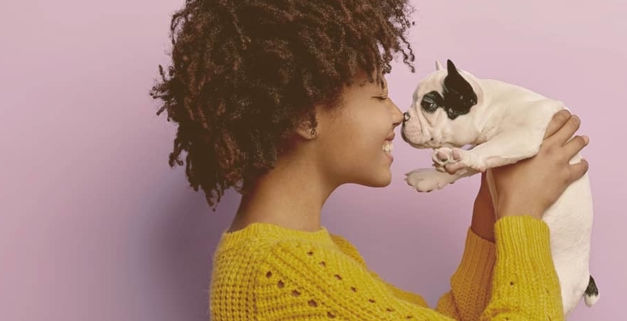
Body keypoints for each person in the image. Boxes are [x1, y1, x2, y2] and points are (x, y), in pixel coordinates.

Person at [150, 0, 590, 320]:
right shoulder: (283, 274)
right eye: (379, 93)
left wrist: (488, 220)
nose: (398, 114)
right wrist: (522, 220)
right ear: (306, 117)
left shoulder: (305, 255)